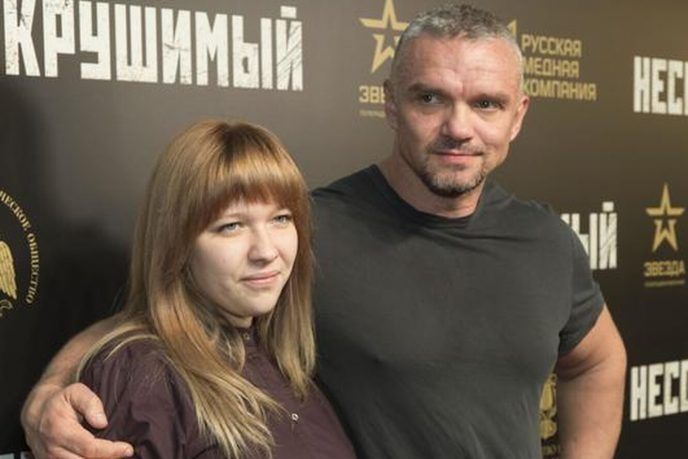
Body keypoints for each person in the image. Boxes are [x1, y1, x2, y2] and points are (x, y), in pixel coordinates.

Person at [21, 4, 626, 459]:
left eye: (486, 104)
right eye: (430, 99)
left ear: (518, 116)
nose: (459, 127)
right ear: (390, 104)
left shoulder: (548, 241)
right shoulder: (305, 230)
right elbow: (159, 317)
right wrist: (49, 394)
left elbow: (598, 359)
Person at [44, 119, 356, 458]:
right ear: (177, 244)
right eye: (231, 226)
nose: (266, 251)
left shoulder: (286, 365)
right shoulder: (143, 375)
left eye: (280, 218)